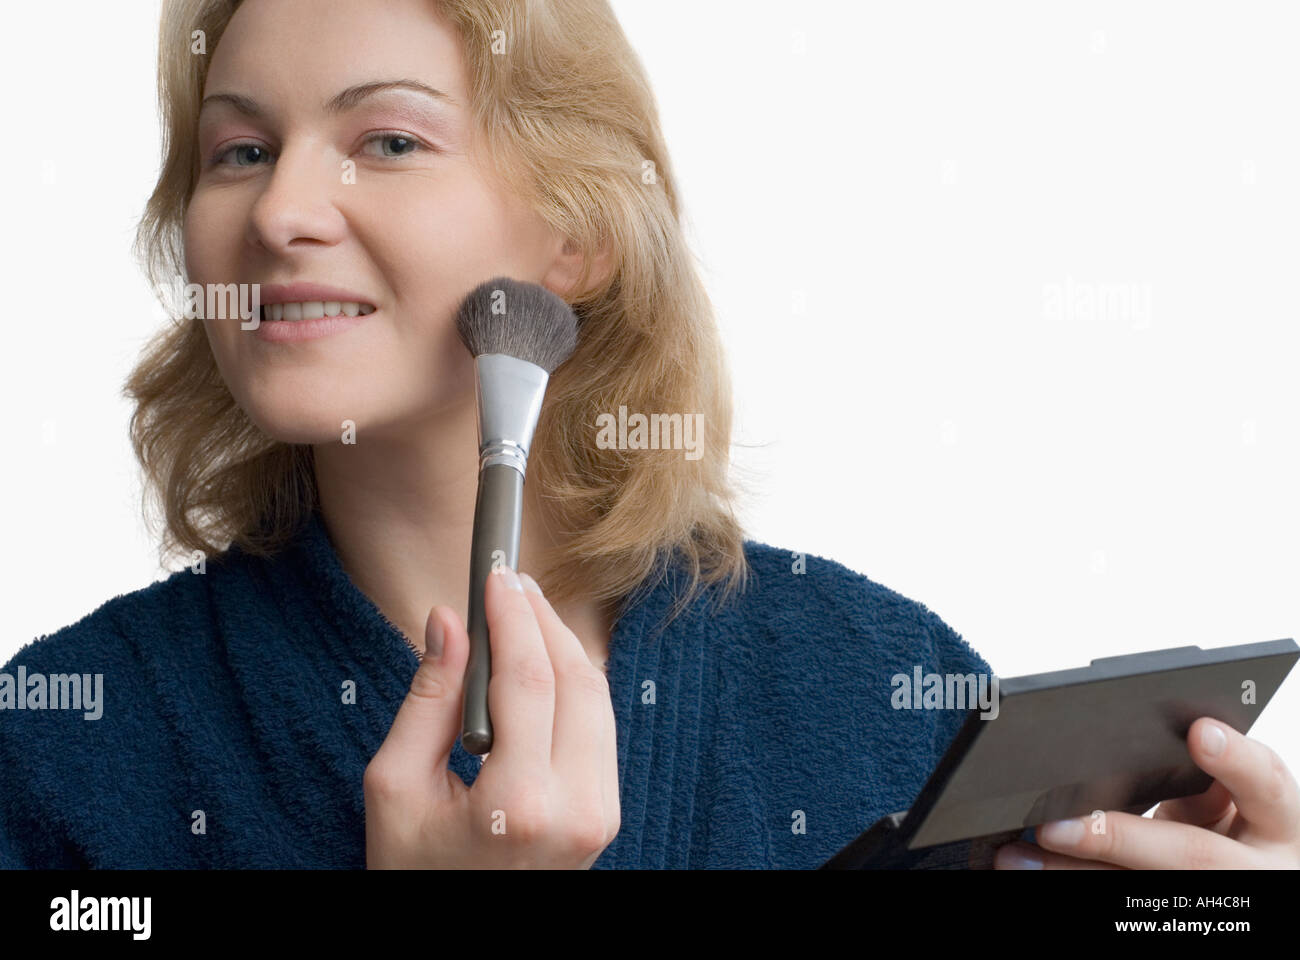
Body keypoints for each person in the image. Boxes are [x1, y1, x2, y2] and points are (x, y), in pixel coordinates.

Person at [3, 0, 1296, 870]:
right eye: (237, 152)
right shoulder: (62, 747)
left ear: (577, 236)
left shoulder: (892, 688)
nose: (283, 206)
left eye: (385, 139)